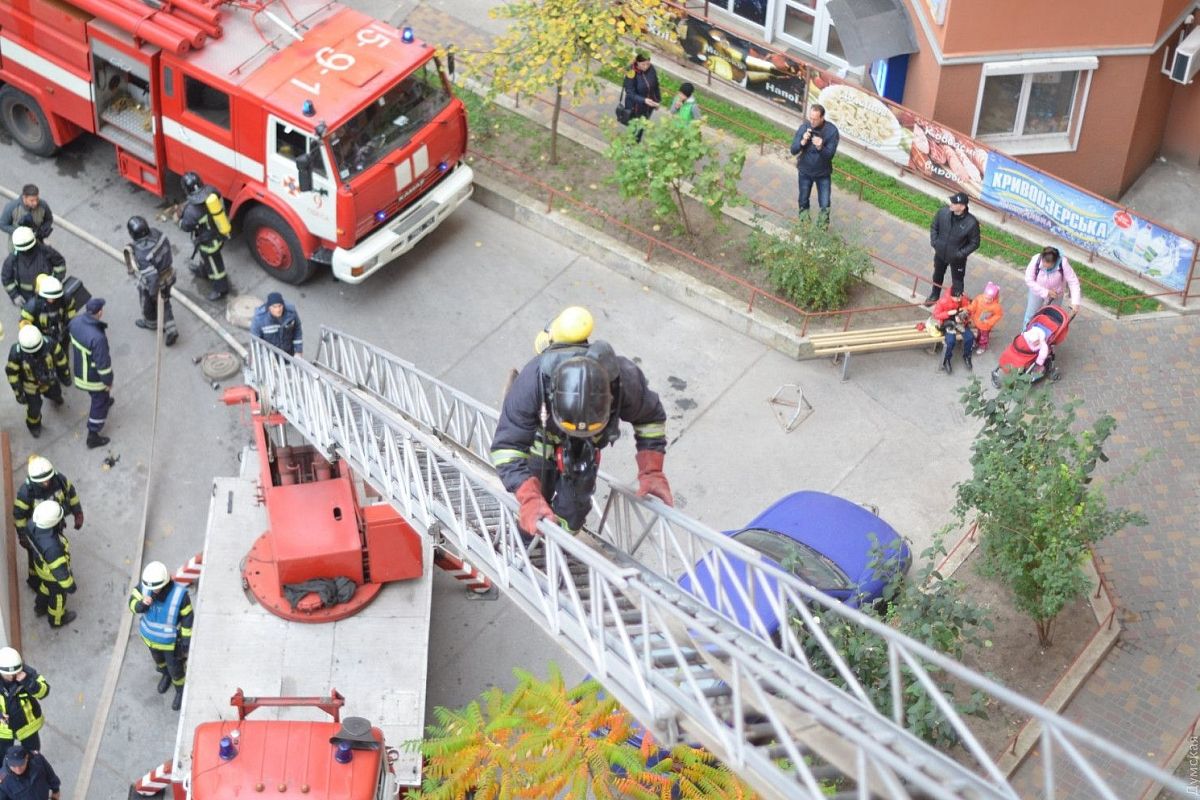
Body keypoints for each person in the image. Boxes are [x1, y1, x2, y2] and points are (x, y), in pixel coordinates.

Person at [490, 306, 672, 536]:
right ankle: (527, 540)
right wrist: (529, 497)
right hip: (542, 440)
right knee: (536, 498)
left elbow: (650, 419)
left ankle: (561, 544)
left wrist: (652, 471)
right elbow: (507, 448)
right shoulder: (533, 383)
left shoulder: (623, 379)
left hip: (585, 450)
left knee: (574, 509)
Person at [12, 456, 83, 593]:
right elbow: (19, 516)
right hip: (36, 534)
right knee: (35, 558)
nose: (45, 483)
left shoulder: (60, 480)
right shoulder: (26, 493)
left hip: (56, 525)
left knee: (55, 555)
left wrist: (77, 512)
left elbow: (71, 493)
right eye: (41, 481)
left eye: (47, 479)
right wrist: (23, 536)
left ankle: (52, 579)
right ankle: (35, 581)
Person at [129, 561, 193, 711]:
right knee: (160, 663)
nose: (151, 591)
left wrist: (185, 641)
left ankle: (180, 691)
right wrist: (140, 605)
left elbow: (187, 618)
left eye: (155, 588)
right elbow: (132, 604)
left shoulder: (180, 596)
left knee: (175, 669)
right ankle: (166, 675)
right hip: (150, 641)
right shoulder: (146, 586)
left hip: (170, 644)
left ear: (164, 583)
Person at [5, 326, 69, 438]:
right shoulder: (16, 353)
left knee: (56, 392)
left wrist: (65, 375)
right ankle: (34, 426)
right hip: (30, 386)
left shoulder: (50, 343)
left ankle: (56, 398)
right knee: (34, 409)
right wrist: (19, 394)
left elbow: (61, 359)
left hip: (49, 380)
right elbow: (12, 375)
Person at [67, 298, 114, 449]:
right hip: (93, 378)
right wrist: (108, 381)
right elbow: (103, 365)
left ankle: (105, 401)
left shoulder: (75, 322)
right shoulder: (98, 338)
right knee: (99, 401)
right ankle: (93, 436)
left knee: (99, 397)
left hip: (80, 372)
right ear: (100, 312)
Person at [125, 215, 178, 346]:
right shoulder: (156, 233)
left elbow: (152, 278)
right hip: (169, 274)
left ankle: (151, 323)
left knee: (148, 303)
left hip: (156, 282)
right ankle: (171, 329)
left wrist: (153, 294)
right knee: (165, 302)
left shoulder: (141, 254)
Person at [178, 172, 230, 301]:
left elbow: (185, 227)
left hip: (208, 243)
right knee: (206, 259)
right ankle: (204, 271)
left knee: (215, 266)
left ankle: (221, 289)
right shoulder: (212, 192)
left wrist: (179, 217)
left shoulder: (191, 211)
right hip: (219, 234)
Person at [26, 500, 75, 629]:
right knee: (58, 597)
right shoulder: (53, 548)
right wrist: (70, 585)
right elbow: (60, 572)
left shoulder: (32, 524)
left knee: (45, 587)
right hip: (53, 576)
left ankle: (40, 607)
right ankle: (57, 620)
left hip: (42, 570)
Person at [789, 103, 840, 226]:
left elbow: (829, 156)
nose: (811, 121)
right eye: (810, 118)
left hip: (823, 173)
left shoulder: (832, 131)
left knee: (825, 204)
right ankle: (804, 224)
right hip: (805, 171)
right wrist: (803, 141)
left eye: (815, 119)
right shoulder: (804, 127)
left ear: (822, 118)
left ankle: (821, 229)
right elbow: (793, 150)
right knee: (803, 200)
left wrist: (820, 146)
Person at [926, 192, 980, 305]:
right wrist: (935, 242)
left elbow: (975, 243)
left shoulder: (971, 223)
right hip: (940, 253)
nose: (951, 204)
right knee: (937, 274)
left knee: (958, 282)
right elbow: (934, 226)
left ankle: (956, 304)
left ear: (962, 206)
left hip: (957, 259)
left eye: (955, 203)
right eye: (952, 201)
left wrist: (959, 254)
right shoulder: (943, 212)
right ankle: (934, 295)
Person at [0, 648, 49, 763]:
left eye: (16, 672)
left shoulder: (28, 673)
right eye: (9, 674)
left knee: (33, 756)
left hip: (27, 726)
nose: (13, 676)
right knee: (2, 758)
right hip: (4, 730)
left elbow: (44, 691)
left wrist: (28, 681)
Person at [1, 229, 65, 307]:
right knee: (30, 315)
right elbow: (6, 278)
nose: (26, 250)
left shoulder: (45, 250)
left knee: (52, 312)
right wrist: (15, 295)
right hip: (26, 296)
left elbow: (60, 264)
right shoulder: (12, 259)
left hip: (48, 292)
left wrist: (55, 282)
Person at [1023, 245, 1081, 327]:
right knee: (1031, 315)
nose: (1044, 266)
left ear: (1055, 262)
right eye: (1043, 263)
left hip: (1056, 295)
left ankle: (1046, 336)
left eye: (1048, 266)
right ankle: (1025, 334)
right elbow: (1029, 279)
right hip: (1036, 292)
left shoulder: (1063, 263)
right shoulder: (1036, 259)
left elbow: (1073, 282)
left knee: (1051, 318)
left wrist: (1075, 302)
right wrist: (1046, 292)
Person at [19, 276, 75, 349]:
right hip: (43, 335)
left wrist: (69, 324)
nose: (53, 299)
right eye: (50, 297)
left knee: (62, 352)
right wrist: (33, 335)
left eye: (55, 297)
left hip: (61, 332)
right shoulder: (33, 305)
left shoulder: (65, 298)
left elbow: (71, 310)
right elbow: (24, 321)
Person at [931, 288, 973, 374]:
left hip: (961, 323)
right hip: (948, 323)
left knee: (970, 338)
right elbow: (936, 315)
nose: (959, 300)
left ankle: (967, 356)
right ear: (951, 296)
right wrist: (948, 313)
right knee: (950, 342)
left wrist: (963, 318)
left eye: (960, 297)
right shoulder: (943, 301)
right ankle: (947, 359)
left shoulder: (963, 299)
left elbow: (969, 311)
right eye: (957, 298)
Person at [622, 52, 661, 142]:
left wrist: (657, 101)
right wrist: (643, 100)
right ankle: (628, 147)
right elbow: (630, 93)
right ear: (637, 62)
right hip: (635, 107)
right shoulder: (631, 73)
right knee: (633, 129)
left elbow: (656, 85)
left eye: (648, 64)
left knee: (641, 128)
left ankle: (636, 144)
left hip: (648, 106)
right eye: (643, 64)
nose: (646, 66)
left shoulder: (651, 69)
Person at [250, 292, 303, 357]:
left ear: (283, 305)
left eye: (280, 306)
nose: (278, 310)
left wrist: (298, 351)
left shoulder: (291, 313)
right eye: (274, 307)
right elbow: (255, 340)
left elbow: (297, 329)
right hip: (270, 355)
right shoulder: (259, 319)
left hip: (288, 353)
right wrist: (261, 357)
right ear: (269, 308)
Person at [0, 185, 53, 249]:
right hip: (18, 246)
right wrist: (19, 232)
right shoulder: (11, 207)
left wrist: (44, 228)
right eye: (32, 200)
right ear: (24, 198)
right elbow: (2, 224)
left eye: (37, 199)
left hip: (37, 244)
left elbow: (49, 219)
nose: (35, 203)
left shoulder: (43, 205)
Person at [967, 281, 1004, 353]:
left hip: (985, 325)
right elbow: (974, 304)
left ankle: (982, 346)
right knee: (977, 333)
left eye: (989, 299)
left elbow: (998, 315)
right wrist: (969, 309)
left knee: (984, 336)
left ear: (994, 298)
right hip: (977, 321)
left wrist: (989, 321)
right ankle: (976, 342)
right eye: (985, 297)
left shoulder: (996, 306)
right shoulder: (979, 298)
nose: (986, 300)